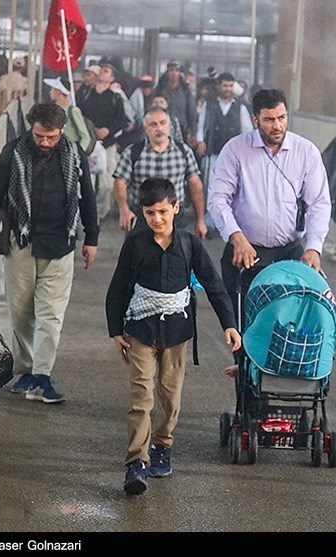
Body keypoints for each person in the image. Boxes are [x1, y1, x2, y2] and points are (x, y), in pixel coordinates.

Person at [105, 177, 240, 495]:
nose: (157, 219)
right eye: (150, 212)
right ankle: (136, 462)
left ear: (176, 208)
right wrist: (115, 331)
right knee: (141, 397)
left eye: (163, 212)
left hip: (177, 332)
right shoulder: (136, 244)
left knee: (169, 396)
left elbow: (214, 284)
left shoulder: (189, 244)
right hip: (140, 329)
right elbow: (119, 287)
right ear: (142, 212)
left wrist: (229, 324)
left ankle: (163, 443)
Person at [0, 102, 99, 404]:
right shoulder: (13, 152)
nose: (45, 142)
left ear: (61, 132)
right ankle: (27, 369)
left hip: (61, 244)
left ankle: (43, 375)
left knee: (51, 314)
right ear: (32, 127)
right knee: (20, 311)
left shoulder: (74, 154)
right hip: (21, 242)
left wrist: (91, 238)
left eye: (51, 137)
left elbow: (88, 197)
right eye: (40, 136)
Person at [208, 88, 331, 315]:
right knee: (245, 327)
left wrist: (314, 248)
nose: (277, 126)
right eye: (269, 120)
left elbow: (319, 204)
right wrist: (237, 238)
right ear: (255, 120)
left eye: (282, 118)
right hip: (245, 255)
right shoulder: (235, 150)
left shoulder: (306, 152)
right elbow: (217, 199)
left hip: (289, 255)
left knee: (289, 330)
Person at [113, 105, 207, 240]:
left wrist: (200, 220)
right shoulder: (133, 153)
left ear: (169, 125)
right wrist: (124, 210)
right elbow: (120, 182)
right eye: (153, 124)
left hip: (174, 218)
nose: (159, 128)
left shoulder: (183, 152)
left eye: (163, 123)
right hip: (142, 218)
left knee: (175, 259)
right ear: (146, 128)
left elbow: (195, 185)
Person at [195, 72, 252, 231]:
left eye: (230, 86)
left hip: (234, 156)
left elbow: (247, 130)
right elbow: (201, 124)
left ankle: (231, 223)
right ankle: (211, 222)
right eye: (224, 85)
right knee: (212, 186)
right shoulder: (210, 104)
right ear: (219, 86)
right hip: (213, 152)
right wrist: (200, 141)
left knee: (234, 188)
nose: (227, 89)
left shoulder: (240, 107)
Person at [77, 62, 130, 221]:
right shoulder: (85, 94)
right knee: (87, 180)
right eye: (101, 70)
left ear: (111, 78)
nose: (101, 73)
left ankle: (101, 212)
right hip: (88, 143)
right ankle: (87, 212)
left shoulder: (115, 98)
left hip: (108, 144)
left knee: (108, 182)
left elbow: (123, 120)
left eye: (106, 71)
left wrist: (108, 130)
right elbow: (77, 114)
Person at [43, 76, 95, 155]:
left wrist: (77, 154)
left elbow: (85, 137)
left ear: (59, 92)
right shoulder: (52, 110)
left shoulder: (73, 111)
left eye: (53, 89)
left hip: (70, 151)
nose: (50, 92)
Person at [153, 60, 197, 148]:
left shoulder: (185, 90)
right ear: (167, 72)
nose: (174, 73)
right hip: (162, 127)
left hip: (182, 130)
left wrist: (192, 132)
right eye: (171, 70)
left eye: (176, 70)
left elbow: (191, 111)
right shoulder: (160, 88)